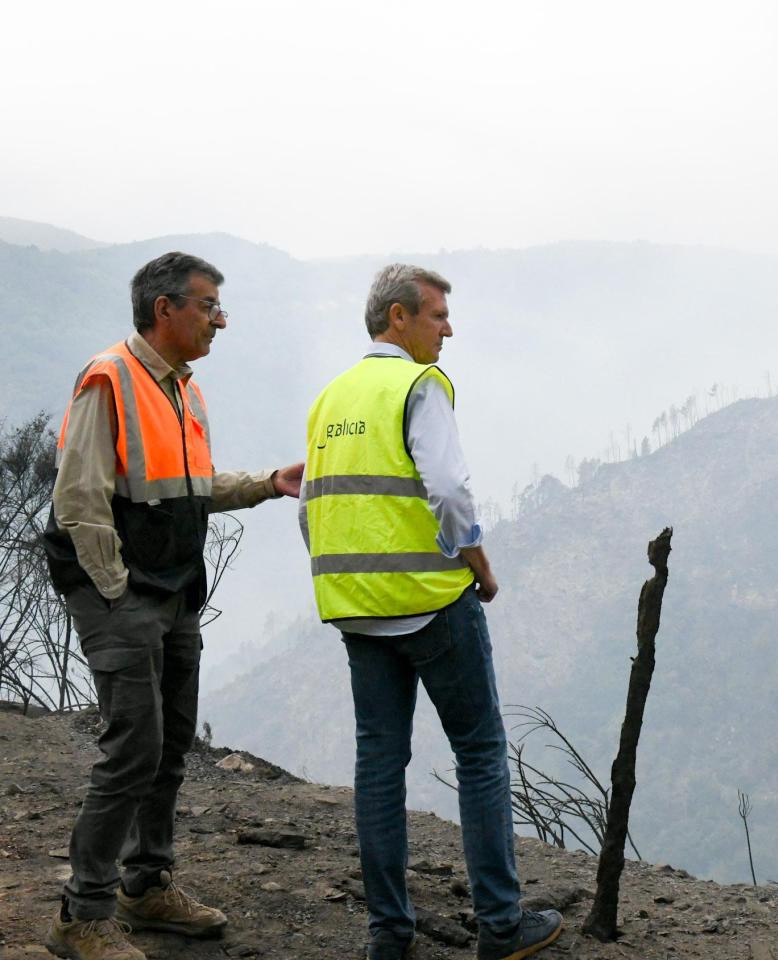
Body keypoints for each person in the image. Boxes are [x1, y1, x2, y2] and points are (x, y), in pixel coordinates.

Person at [41, 251, 305, 960]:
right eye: (209, 305)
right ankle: (81, 916)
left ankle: (146, 886)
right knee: (134, 747)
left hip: (173, 588)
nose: (221, 319)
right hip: (124, 591)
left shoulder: (183, 388)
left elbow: (186, 486)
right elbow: (79, 501)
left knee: (171, 743)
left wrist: (265, 483)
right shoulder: (110, 380)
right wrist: (118, 593)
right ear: (166, 309)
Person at [301, 264, 562, 960]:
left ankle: (390, 935)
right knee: (479, 754)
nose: (449, 329)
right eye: (438, 315)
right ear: (398, 318)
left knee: (379, 764)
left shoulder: (332, 397)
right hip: (432, 603)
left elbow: (312, 504)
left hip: (357, 612)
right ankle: (501, 929)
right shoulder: (421, 385)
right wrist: (476, 564)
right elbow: (448, 488)